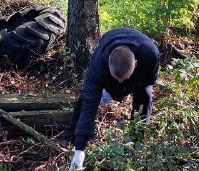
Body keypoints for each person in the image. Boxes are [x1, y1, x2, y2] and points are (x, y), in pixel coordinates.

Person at [60, 28, 159, 170]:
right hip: (110, 47)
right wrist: (80, 150)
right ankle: (71, 135)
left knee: (145, 95)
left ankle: (136, 142)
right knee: (86, 97)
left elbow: (149, 82)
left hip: (141, 67)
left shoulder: (150, 55)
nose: (120, 82)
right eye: (117, 79)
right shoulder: (99, 63)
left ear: (136, 64)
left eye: (123, 79)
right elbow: (89, 103)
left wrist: (129, 88)